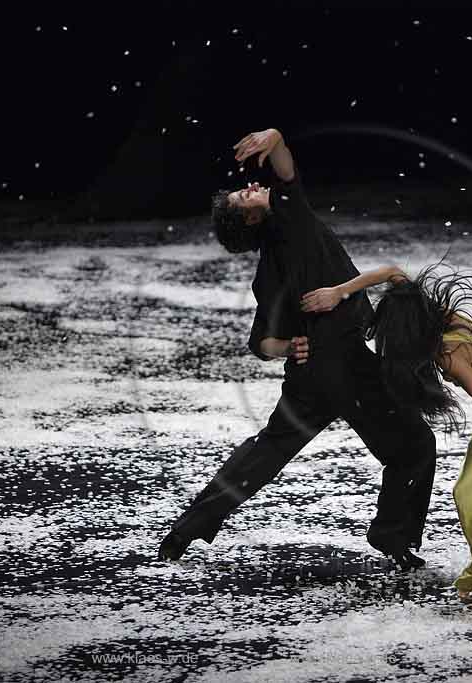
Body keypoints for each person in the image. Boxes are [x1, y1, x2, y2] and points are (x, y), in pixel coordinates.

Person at [157, 128, 437, 571]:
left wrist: (290, 346)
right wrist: (276, 139)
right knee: (415, 445)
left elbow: (262, 342)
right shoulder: (291, 221)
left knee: (264, 453)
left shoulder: (268, 267)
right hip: (345, 365)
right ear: (252, 220)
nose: (250, 188)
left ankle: (184, 532)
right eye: (242, 198)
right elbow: (286, 174)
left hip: (311, 377)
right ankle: (393, 538)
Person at [301, 262, 472, 602]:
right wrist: (340, 291)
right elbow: (391, 272)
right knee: (471, 489)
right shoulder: (431, 312)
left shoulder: (449, 352)